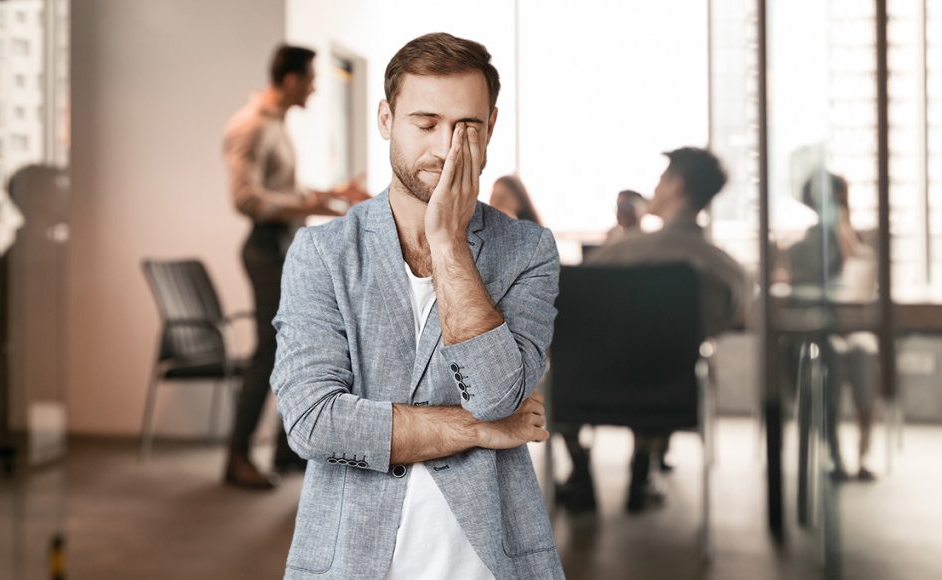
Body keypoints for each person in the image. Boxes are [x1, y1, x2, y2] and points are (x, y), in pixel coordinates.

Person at [271, 33, 564, 579]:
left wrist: (449, 244)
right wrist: (475, 429)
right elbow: (313, 422)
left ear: (491, 126)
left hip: (490, 560)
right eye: (426, 124)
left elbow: (497, 396)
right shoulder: (322, 253)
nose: (447, 149)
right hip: (351, 560)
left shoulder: (528, 250)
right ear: (386, 119)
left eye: (467, 127)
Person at [568, 147, 749, 513]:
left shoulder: (617, 253)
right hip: (668, 393)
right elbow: (728, 320)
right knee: (661, 356)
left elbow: (569, 306)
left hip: (585, 391)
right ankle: (642, 468)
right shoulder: (727, 271)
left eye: (662, 179)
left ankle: (580, 468)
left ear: (677, 185)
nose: (655, 187)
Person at [222, 44, 367, 489]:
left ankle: (288, 452)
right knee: (269, 350)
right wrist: (310, 205)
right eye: (311, 79)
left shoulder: (276, 125)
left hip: (283, 247)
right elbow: (246, 198)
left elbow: (284, 188)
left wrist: (330, 196)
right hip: (265, 249)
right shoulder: (251, 126)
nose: (315, 88)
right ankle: (237, 457)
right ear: (291, 80)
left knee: (294, 347)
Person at [783, 171, 878, 481]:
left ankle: (864, 454)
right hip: (819, 331)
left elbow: (862, 281)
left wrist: (844, 232)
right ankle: (834, 453)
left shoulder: (858, 240)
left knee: (863, 354)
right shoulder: (802, 246)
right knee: (830, 360)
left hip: (853, 328)